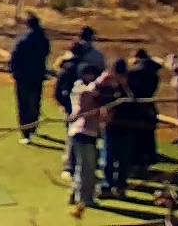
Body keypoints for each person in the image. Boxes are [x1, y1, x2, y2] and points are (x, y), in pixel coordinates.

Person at [96, 59, 135, 199]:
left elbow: (133, 103)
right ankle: (108, 185)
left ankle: (120, 187)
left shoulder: (129, 87)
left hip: (124, 127)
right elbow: (98, 98)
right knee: (109, 159)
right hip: (111, 127)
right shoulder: (107, 87)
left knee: (122, 159)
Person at [9, 13, 50, 144]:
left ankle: (25, 132)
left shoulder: (23, 40)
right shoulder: (43, 39)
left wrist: (14, 72)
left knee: (23, 104)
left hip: (23, 76)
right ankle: (33, 127)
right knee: (35, 102)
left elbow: (15, 57)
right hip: (37, 75)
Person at [69, 64, 103, 215]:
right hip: (82, 132)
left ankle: (75, 195)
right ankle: (84, 198)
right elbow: (89, 94)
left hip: (87, 132)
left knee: (83, 168)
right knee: (86, 169)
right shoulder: (80, 89)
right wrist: (105, 78)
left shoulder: (86, 89)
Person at [127, 49, 162, 175]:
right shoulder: (153, 73)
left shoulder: (134, 73)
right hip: (149, 106)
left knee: (136, 138)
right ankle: (146, 164)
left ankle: (135, 165)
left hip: (136, 109)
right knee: (148, 137)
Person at [54, 41, 86, 181]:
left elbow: (58, 91)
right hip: (85, 107)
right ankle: (76, 165)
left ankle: (70, 166)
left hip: (71, 107)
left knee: (72, 136)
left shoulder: (66, 67)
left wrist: (64, 105)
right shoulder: (85, 68)